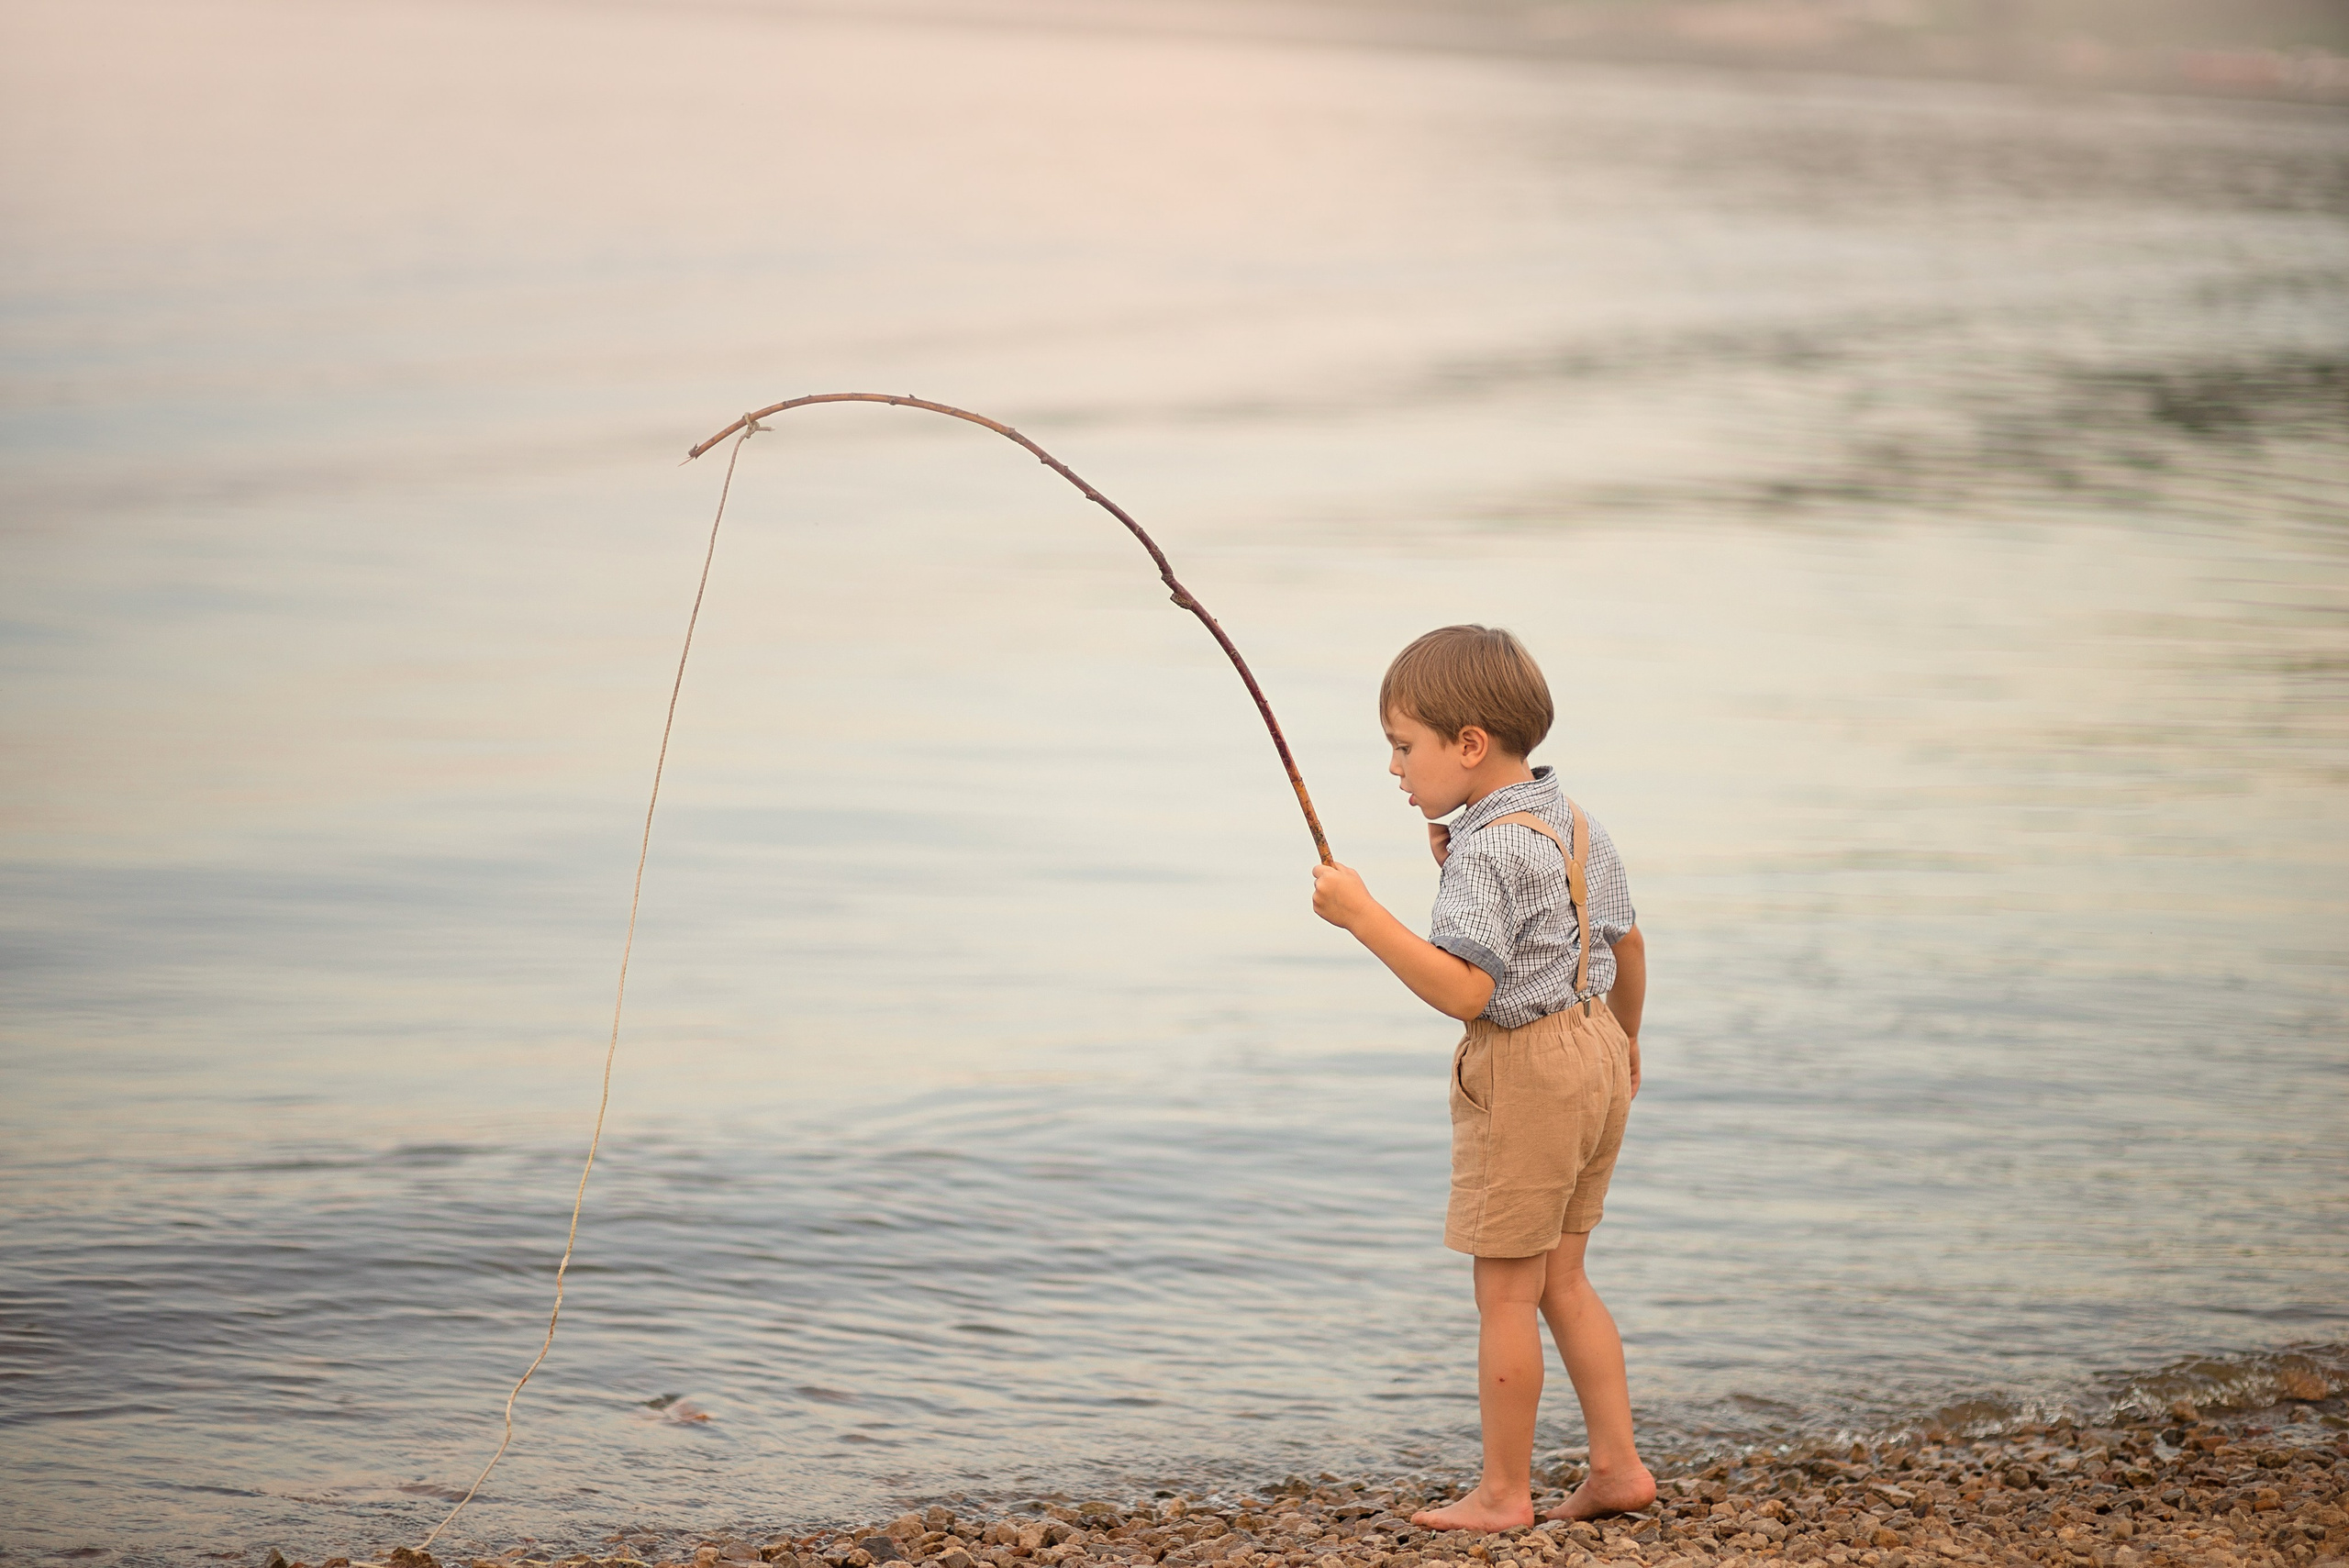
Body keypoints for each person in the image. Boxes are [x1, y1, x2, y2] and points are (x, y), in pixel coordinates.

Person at [1309, 624, 1654, 1531]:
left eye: (1401, 744)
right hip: (1595, 1047)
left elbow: (1465, 989)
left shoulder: (1483, 852)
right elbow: (1624, 937)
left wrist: (1362, 915)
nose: (1392, 767)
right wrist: (1627, 1039)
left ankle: (1503, 1492)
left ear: (1468, 745)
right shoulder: (1570, 817)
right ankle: (1616, 1465)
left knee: (1505, 1290)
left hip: (1529, 1071)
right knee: (1566, 1278)